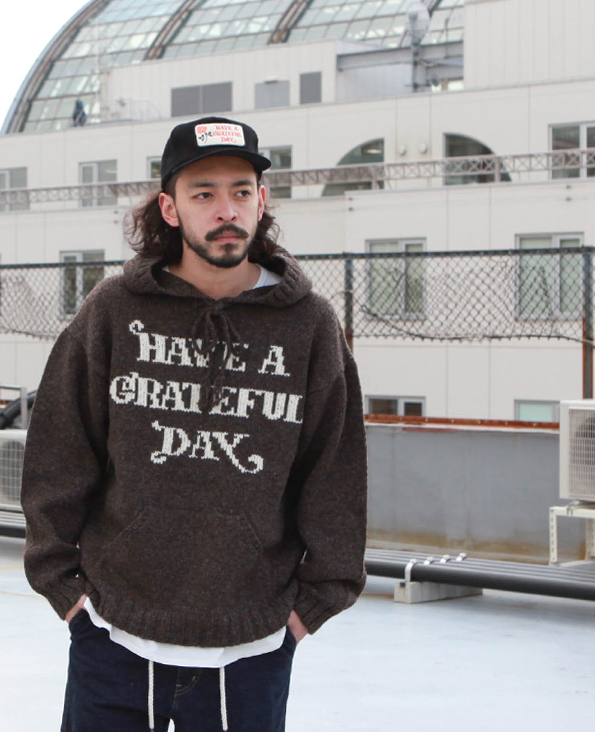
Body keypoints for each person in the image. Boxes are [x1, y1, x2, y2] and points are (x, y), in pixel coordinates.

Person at [21, 116, 368, 732]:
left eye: (240, 191)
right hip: (113, 637)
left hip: (253, 649)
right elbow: (59, 448)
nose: (225, 210)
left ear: (261, 201)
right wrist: (63, 588)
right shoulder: (114, 310)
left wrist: (313, 605)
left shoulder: (309, 324)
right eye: (203, 193)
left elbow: (335, 471)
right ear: (170, 208)